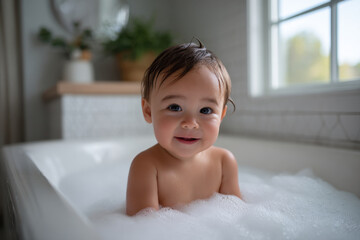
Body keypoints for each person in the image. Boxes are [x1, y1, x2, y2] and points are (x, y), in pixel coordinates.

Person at [126, 41, 242, 216]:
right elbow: (142, 229)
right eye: (174, 107)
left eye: (205, 110)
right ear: (148, 111)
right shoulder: (146, 167)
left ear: (221, 116)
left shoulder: (224, 162)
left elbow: (238, 220)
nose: (190, 122)